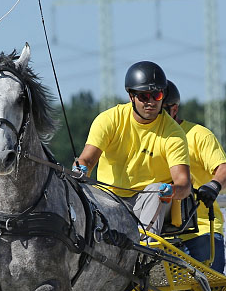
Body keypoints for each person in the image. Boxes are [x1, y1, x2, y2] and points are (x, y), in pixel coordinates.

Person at [74, 61, 191, 234]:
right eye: (143, 97)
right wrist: (81, 169)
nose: (150, 102)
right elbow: (88, 159)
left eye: (156, 96)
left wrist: (171, 190)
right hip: (108, 201)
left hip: (150, 202)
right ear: (131, 97)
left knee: (154, 190)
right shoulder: (109, 120)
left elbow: (184, 184)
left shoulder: (173, 133)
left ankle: (145, 248)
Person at [163, 80, 226, 273]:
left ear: (174, 109)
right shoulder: (147, 138)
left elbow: (225, 169)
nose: (156, 116)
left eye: (162, 110)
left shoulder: (198, 135)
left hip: (201, 228)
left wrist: (214, 185)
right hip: (161, 233)